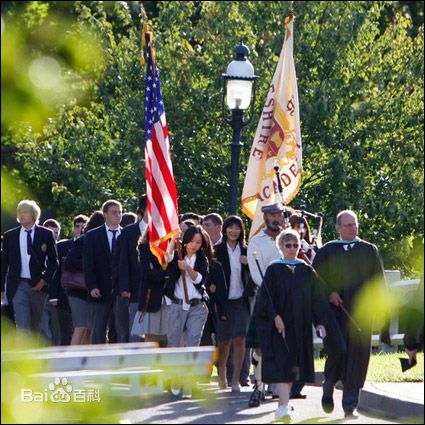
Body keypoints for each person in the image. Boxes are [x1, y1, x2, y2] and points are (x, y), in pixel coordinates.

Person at [313, 210, 390, 419]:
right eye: (347, 225)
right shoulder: (328, 251)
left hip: (360, 315)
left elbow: (378, 282)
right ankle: (328, 386)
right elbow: (314, 280)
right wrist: (329, 293)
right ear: (338, 227)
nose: (352, 228)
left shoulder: (368, 250)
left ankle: (350, 406)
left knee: (357, 358)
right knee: (337, 353)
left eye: (354, 224)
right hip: (334, 315)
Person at [256, 229, 332, 422]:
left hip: (301, 326)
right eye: (288, 245)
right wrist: (275, 317)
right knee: (284, 365)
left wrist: (319, 323)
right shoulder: (274, 269)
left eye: (295, 245)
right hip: (280, 327)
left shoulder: (305, 269)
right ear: (280, 246)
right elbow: (265, 299)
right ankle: (283, 406)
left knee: (294, 367)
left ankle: (284, 403)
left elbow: (316, 299)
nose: (292, 249)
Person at [246, 202, 288, 407]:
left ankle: (280, 391)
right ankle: (259, 386)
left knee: (285, 344)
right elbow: (256, 274)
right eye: (272, 215)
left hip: (288, 301)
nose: (276, 219)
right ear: (265, 218)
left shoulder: (290, 239)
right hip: (266, 299)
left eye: (279, 215)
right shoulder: (256, 242)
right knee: (262, 345)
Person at [1, 200, 58, 335]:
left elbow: (53, 262)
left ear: (33, 214)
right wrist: (1, 289)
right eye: (19, 212)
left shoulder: (46, 234)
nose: (21, 215)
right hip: (18, 285)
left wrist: (43, 281)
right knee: (22, 325)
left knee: (36, 326)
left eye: (25, 212)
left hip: (38, 285)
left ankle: (33, 354)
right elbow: (3, 264)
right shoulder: (10, 236)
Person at [214, 216, 251, 393]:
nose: (233, 231)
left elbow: (254, 277)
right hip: (223, 301)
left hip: (241, 300)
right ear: (225, 229)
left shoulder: (246, 250)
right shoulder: (217, 250)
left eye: (237, 228)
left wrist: (248, 263)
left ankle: (236, 379)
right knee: (224, 340)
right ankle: (222, 372)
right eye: (231, 227)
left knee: (240, 339)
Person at [83, 200, 122, 344]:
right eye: (114, 212)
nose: (118, 215)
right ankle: (97, 362)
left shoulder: (125, 234)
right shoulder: (93, 235)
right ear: (105, 214)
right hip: (99, 290)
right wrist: (92, 286)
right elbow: (88, 263)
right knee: (98, 329)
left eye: (119, 212)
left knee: (118, 329)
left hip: (120, 291)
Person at [64, 211, 104, 345]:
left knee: (89, 328)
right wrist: (90, 265)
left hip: (90, 290)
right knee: (81, 326)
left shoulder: (95, 239)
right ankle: (72, 359)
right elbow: (69, 262)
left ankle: (85, 358)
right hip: (77, 290)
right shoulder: (84, 240)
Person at [115, 195, 148, 343]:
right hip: (135, 290)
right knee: (135, 334)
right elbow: (122, 262)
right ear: (143, 209)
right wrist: (124, 287)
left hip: (159, 293)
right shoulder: (128, 232)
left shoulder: (163, 232)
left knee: (154, 336)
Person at [42, 219, 73, 346]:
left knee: (57, 331)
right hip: (41, 293)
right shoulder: (36, 247)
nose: (53, 235)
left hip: (57, 296)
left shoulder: (61, 248)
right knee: (43, 330)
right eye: (50, 232)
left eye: (55, 233)